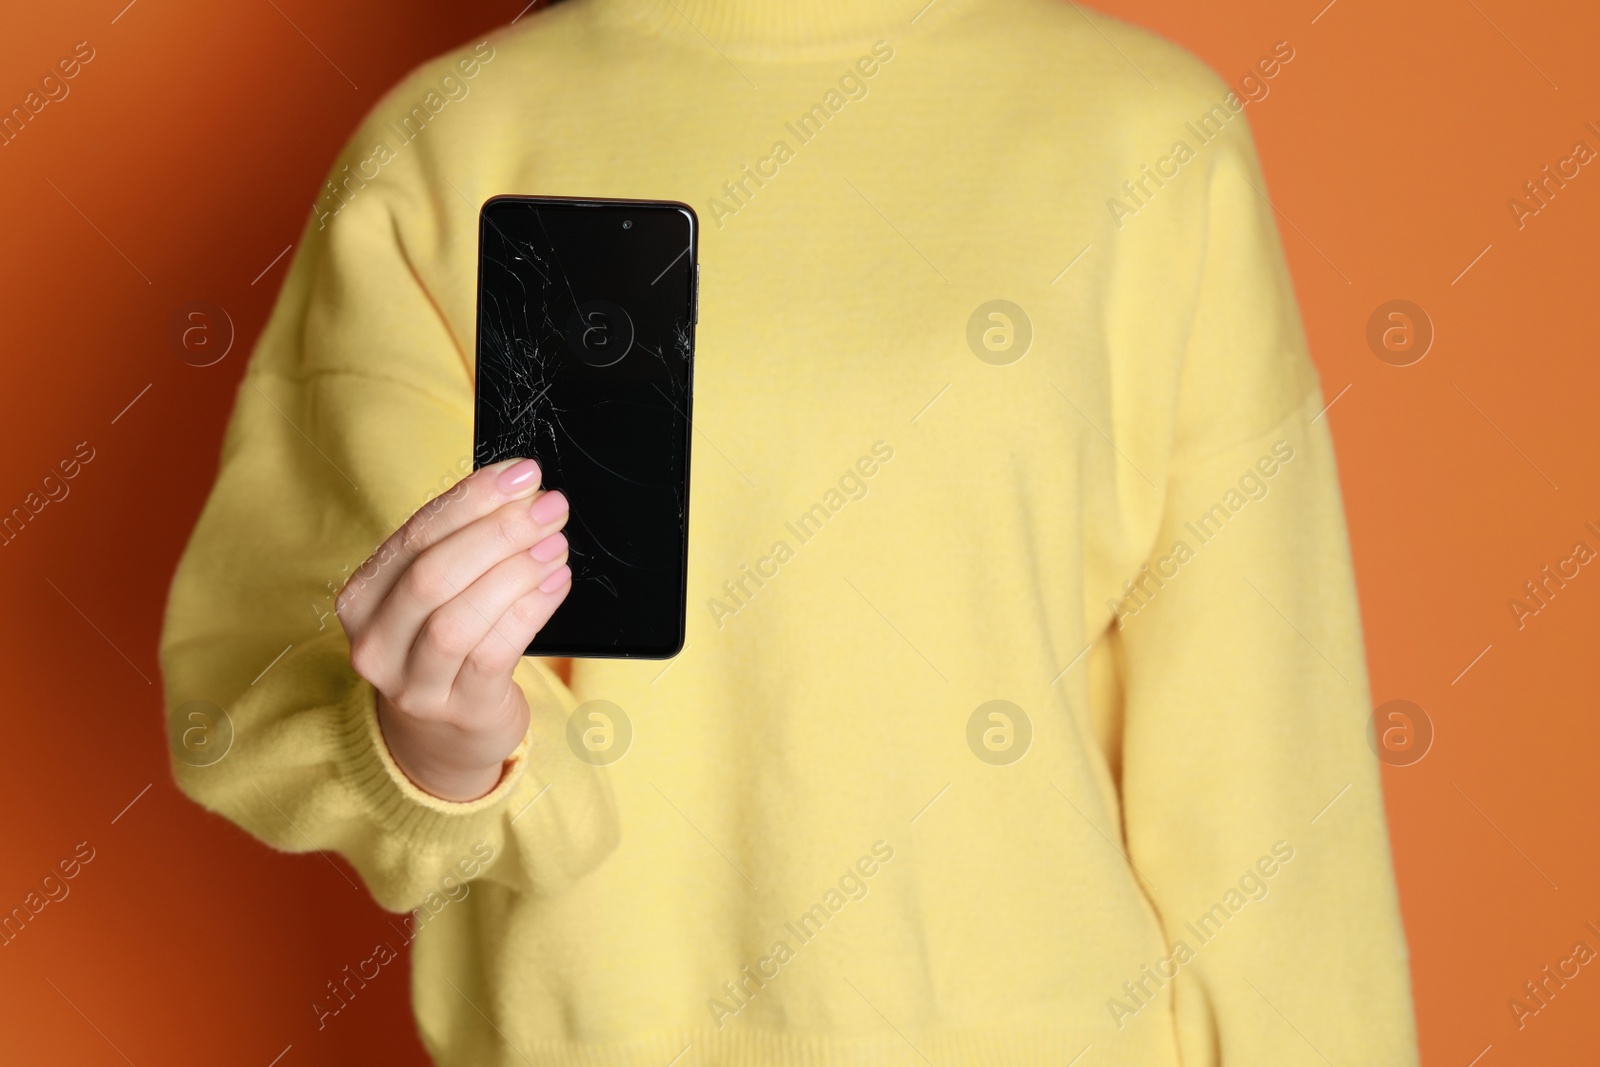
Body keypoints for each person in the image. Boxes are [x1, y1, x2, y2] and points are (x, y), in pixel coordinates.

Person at [161, 0, 1419, 1063]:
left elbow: (1268, 767)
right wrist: (433, 740)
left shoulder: (1145, 134)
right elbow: (265, 669)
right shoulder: (451, 144)